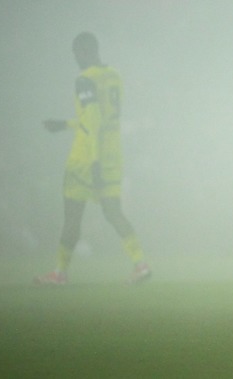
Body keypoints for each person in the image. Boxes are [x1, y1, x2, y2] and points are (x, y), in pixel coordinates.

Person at [35, 32, 151, 285]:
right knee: (113, 212)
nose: (76, 59)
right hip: (113, 155)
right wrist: (64, 124)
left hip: (87, 157)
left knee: (73, 217)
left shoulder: (84, 79)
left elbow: (94, 120)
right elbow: (102, 118)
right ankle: (140, 264)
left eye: (77, 54)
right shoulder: (114, 76)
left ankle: (60, 272)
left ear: (85, 51)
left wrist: (94, 162)